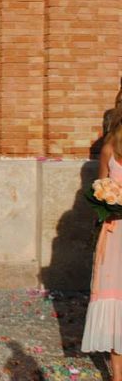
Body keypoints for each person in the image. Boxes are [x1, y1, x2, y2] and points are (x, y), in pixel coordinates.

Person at [81, 120, 122, 381]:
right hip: (116, 232)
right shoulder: (110, 147)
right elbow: (99, 191)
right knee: (117, 303)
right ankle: (118, 374)